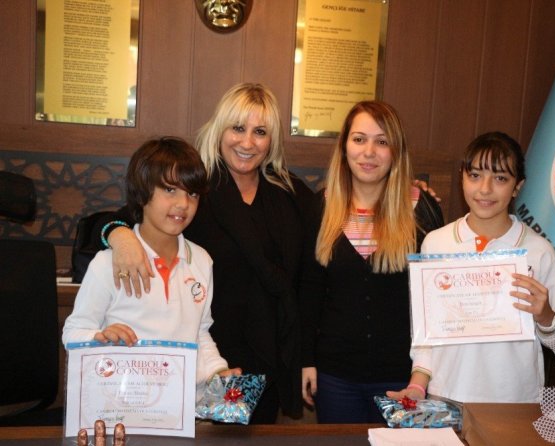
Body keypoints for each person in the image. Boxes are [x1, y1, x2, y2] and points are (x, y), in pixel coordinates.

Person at [98, 83, 314, 423]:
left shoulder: (289, 192)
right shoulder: (195, 187)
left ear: (272, 140)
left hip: (270, 356)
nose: (247, 143)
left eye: (260, 132)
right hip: (204, 357)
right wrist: (120, 236)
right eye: (237, 128)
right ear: (220, 130)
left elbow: (315, 268)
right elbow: (119, 219)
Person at [387, 131, 555, 405]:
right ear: (462, 176)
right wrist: (417, 386)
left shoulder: (539, 251)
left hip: (515, 401)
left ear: (517, 186)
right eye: (475, 175)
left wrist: (545, 316)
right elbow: (425, 334)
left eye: (500, 178)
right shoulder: (436, 243)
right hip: (445, 394)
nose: (485, 189)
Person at [62, 137, 241, 403]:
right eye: (170, 190)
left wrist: (217, 371)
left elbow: (200, 332)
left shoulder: (202, 260)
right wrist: (99, 337)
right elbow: (73, 332)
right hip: (120, 407)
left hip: (182, 409)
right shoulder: (107, 263)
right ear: (142, 192)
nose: (183, 204)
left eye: (192, 193)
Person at [299, 101, 444, 423]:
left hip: (403, 378)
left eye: (382, 141)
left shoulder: (423, 210)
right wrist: (306, 360)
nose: (369, 152)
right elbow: (309, 290)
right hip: (334, 377)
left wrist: (423, 376)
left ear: (396, 151)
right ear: (344, 146)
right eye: (359, 139)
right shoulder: (320, 206)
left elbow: (436, 301)